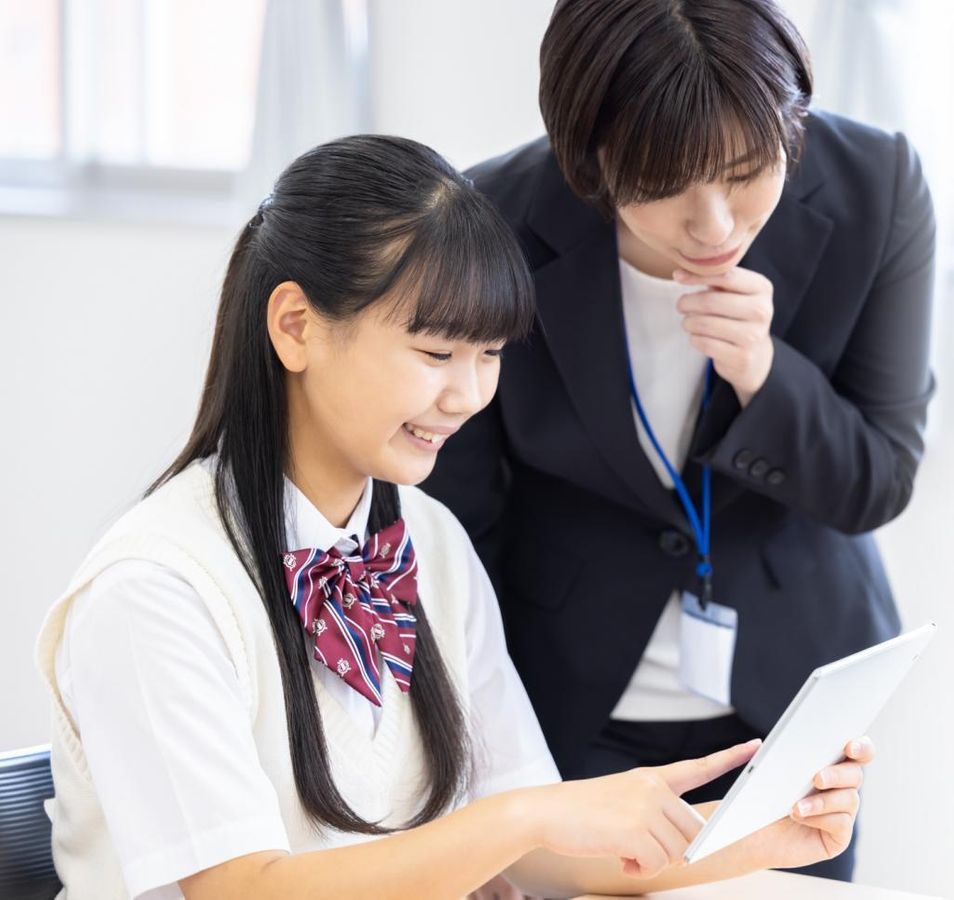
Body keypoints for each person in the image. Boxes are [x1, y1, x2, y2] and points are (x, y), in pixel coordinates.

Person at [36, 135, 872, 900]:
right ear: (295, 326)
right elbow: (241, 889)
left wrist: (759, 837)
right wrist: (517, 823)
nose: (469, 395)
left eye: (490, 355)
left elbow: (538, 851)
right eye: (436, 353)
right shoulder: (155, 590)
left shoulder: (427, 542)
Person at [422, 0, 935, 884]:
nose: (715, 227)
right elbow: (457, 518)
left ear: (792, 122)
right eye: (663, 186)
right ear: (590, 159)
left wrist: (767, 377)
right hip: (568, 699)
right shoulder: (490, 221)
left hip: (793, 709)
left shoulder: (876, 189)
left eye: (746, 173)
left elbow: (878, 481)